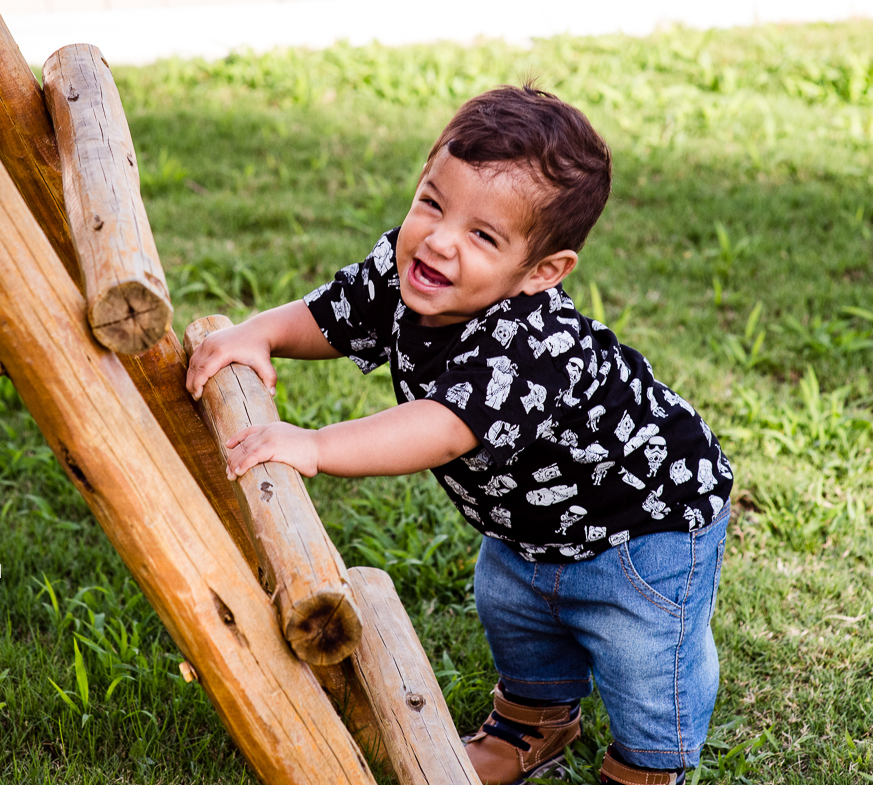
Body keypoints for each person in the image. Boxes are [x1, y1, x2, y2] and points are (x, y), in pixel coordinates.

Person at [186, 85, 733, 785]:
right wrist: (259, 332)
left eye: (483, 236)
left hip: (645, 525)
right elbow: (332, 314)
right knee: (516, 609)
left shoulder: (531, 341)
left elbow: (441, 428)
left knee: (645, 652)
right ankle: (534, 721)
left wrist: (315, 445)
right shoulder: (410, 269)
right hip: (528, 523)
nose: (440, 240)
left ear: (542, 271)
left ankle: (649, 766)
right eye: (432, 203)